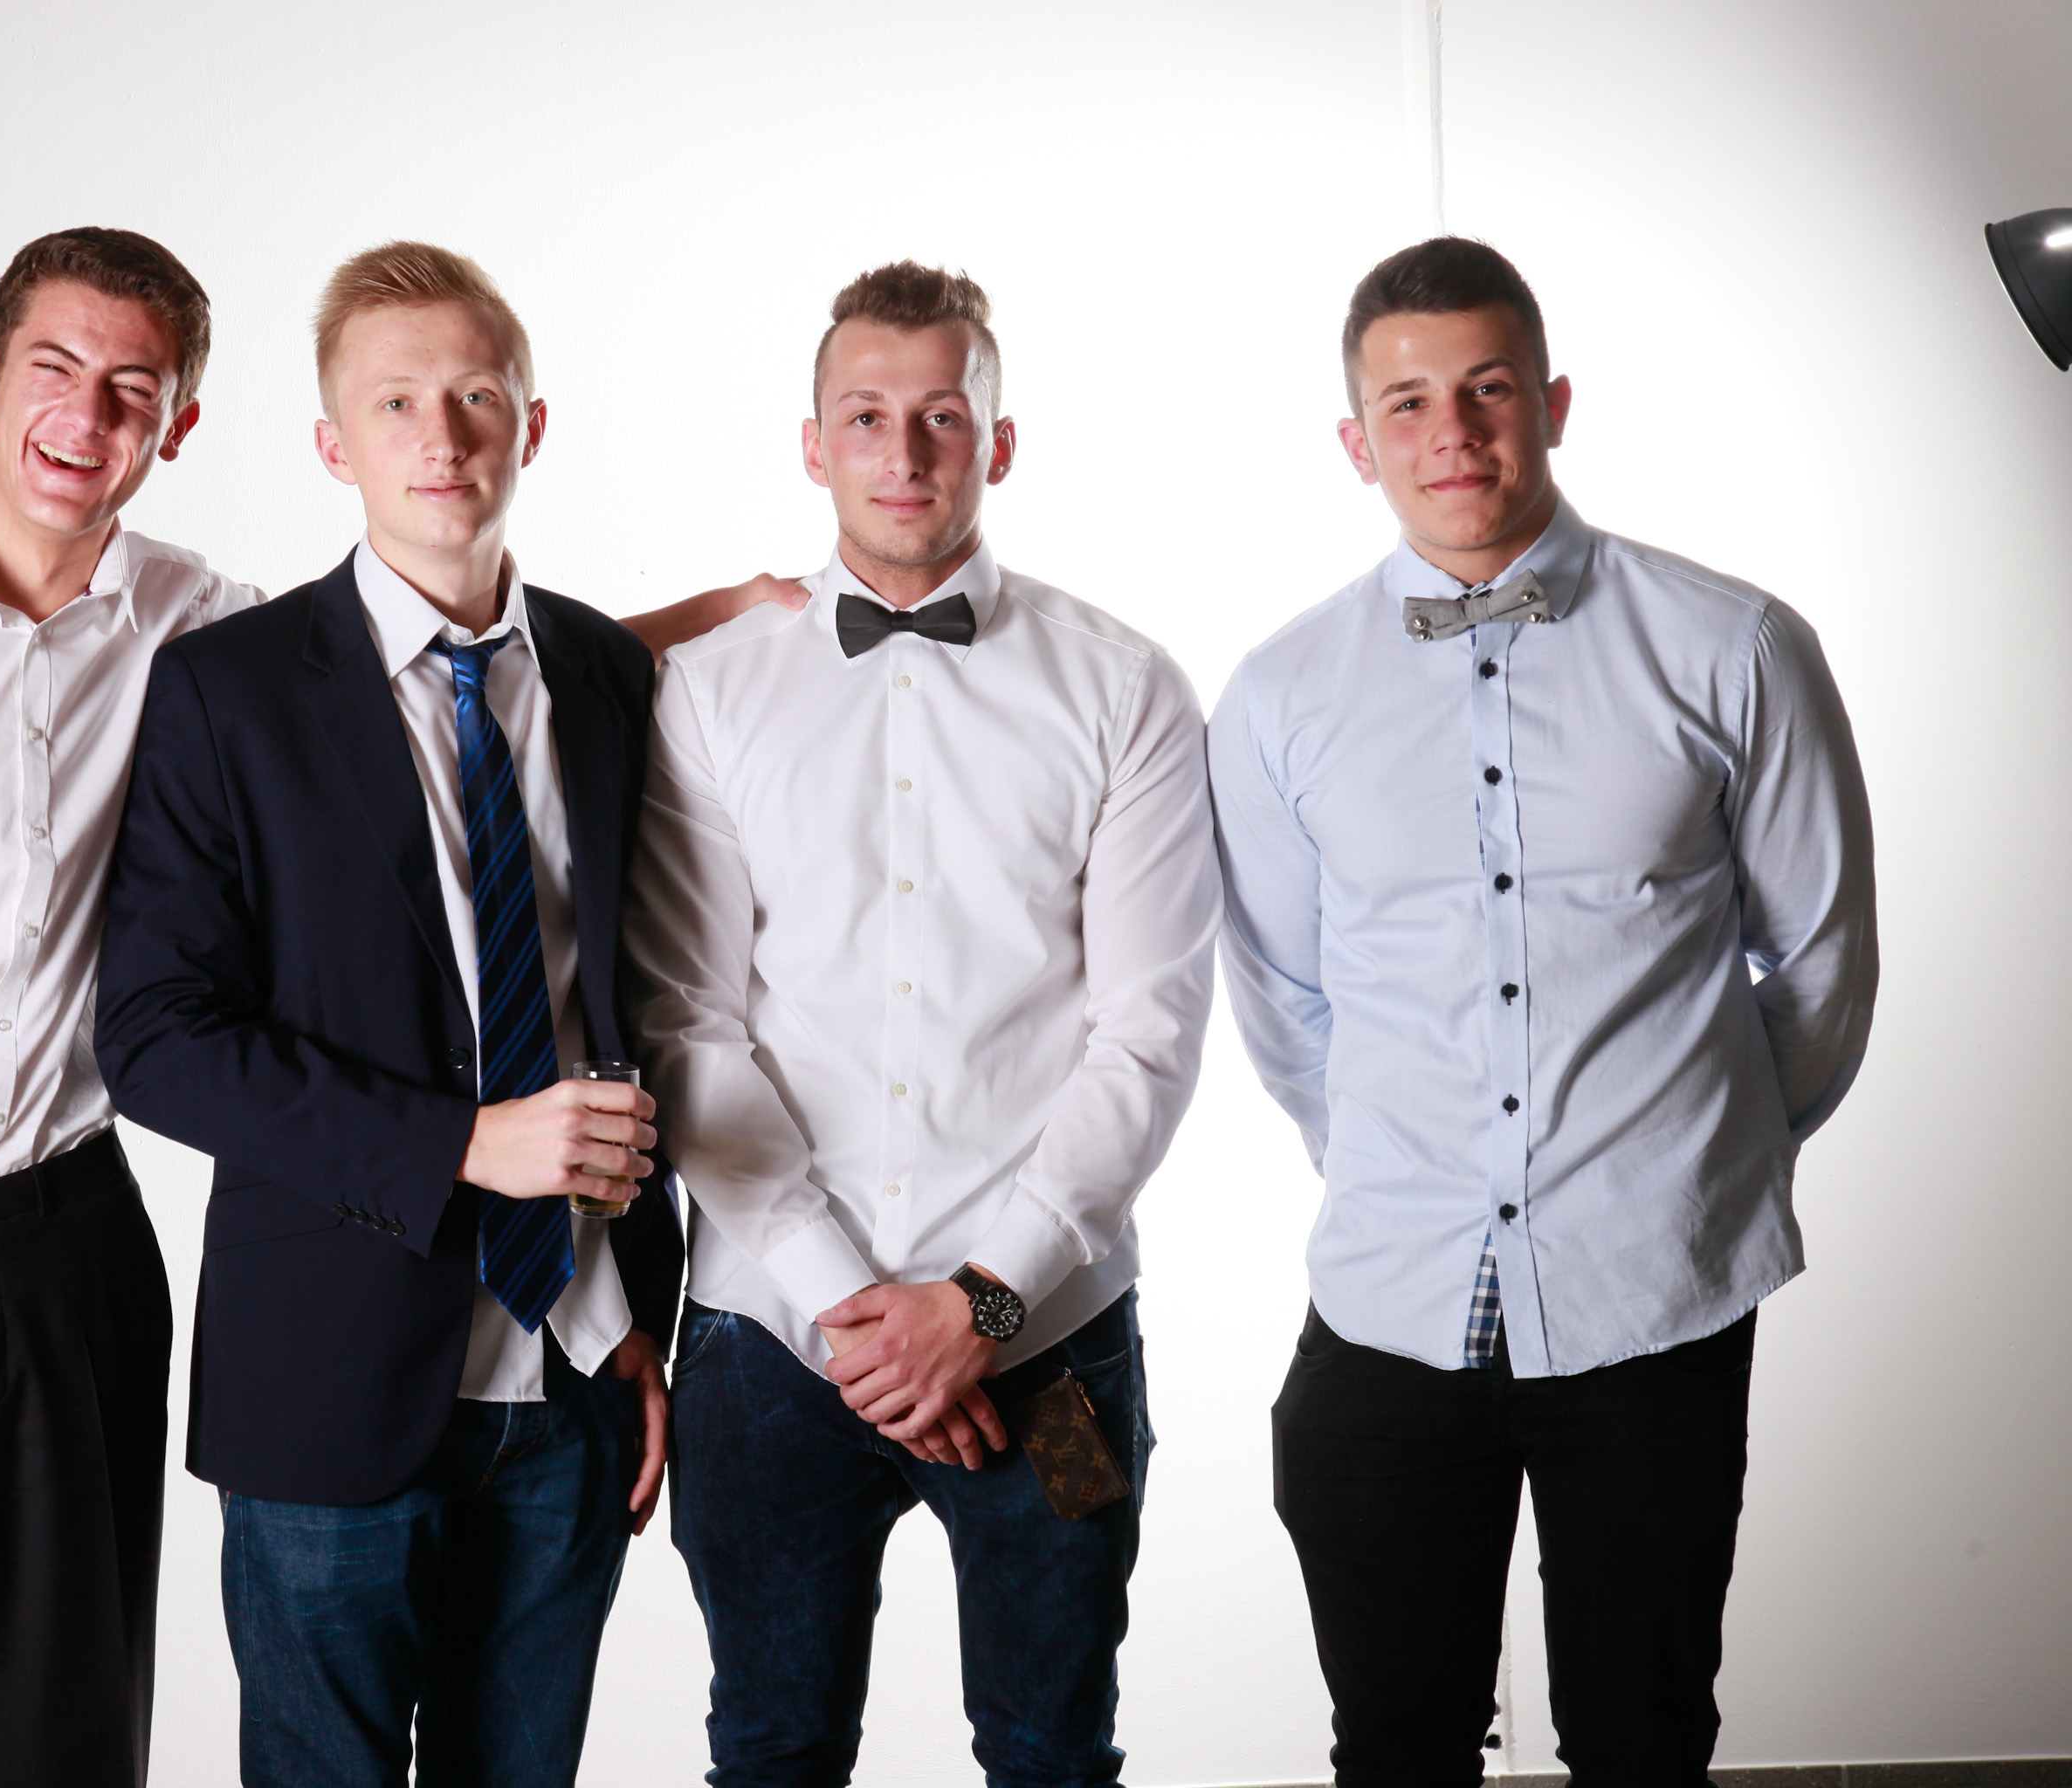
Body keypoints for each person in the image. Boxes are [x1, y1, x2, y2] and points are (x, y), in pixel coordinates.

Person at [0, 228, 771, 1788]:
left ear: (180, 425)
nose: (85, 415)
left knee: (80, 1743)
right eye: (55, 368)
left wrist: (714, 618)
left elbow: (437, 657)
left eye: (132, 389)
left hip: (66, 1247)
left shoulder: (190, 620)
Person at [1208, 236, 1878, 1784]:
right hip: (1392, 1299)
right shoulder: (1281, 695)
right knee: (1396, 1742)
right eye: (1409, 402)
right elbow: (1286, 998)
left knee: (1645, 1737)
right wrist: (1407, 1163)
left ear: (1553, 403)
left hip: (1657, 1299)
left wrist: (1689, 1162)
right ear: (1357, 441)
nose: (1452, 432)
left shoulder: (1736, 647)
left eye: (1489, 388)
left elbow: (1824, 964)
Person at [92, 242, 682, 1788]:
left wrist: (636, 1317)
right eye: (397, 402)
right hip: (328, 1378)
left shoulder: (609, 677)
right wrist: (459, 1146)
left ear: (531, 425)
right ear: (331, 443)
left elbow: (640, 998)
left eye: (477, 396)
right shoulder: (225, 690)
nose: (443, 435)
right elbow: (152, 1033)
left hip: (573, 1372)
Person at [627, 263, 1223, 1788]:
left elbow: (1150, 1036)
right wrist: (851, 1309)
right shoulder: (709, 693)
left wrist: (985, 1310)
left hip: (1054, 1356)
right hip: (769, 1354)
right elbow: (685, 1021)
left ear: (998, 443)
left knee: (1057, 1748)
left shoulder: (1127, 689)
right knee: (770, 1750)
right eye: (866, 417)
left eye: (943, 417)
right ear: (812, 443)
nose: (903, 453)